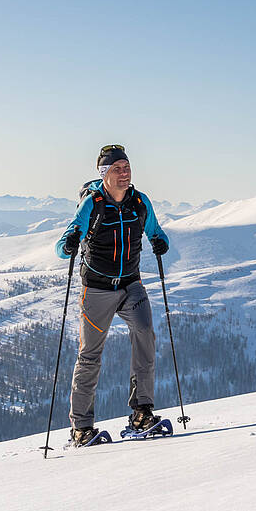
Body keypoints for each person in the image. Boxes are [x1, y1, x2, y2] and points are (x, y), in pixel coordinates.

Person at [55, 144, 171, 446]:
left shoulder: (139, 202)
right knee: (90, 355)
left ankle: (141, 413)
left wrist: (160, 242)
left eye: (127, 167)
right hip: (97, 289)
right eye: (118, 168)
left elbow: (156, 232)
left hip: (131, 285)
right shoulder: (92, 204)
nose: (125, 172)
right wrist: (68, 242)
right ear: (104, 174)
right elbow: (63, 243)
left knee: (145, 333)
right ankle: (81, 428)